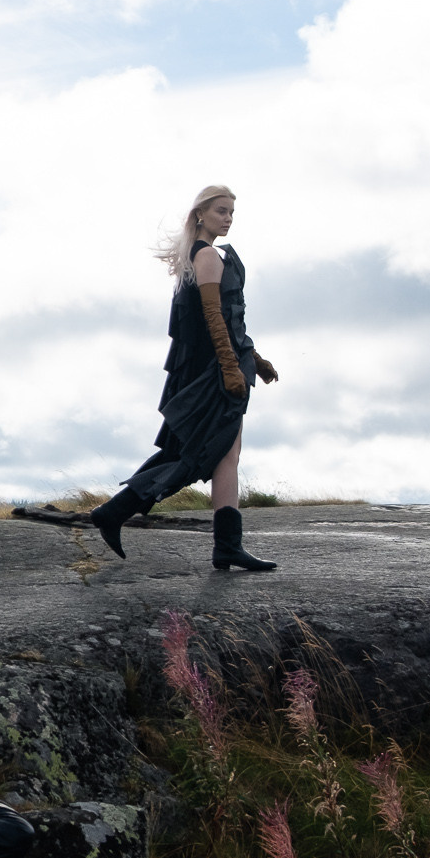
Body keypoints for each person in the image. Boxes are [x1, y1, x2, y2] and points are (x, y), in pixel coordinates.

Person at [86, 184, 281, 571]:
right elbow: (212, 317)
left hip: (219, 366)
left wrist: (253, 358)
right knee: (202, 455)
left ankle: (225, 545)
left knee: (224, 453)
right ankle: (117, 512)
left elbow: (226, 317)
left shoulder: (199, 256)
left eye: (231, 213)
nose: (227, 219)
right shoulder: (207, 255)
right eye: (220, 211)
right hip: (215, 372)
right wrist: (230, 366)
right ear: (199, 215)